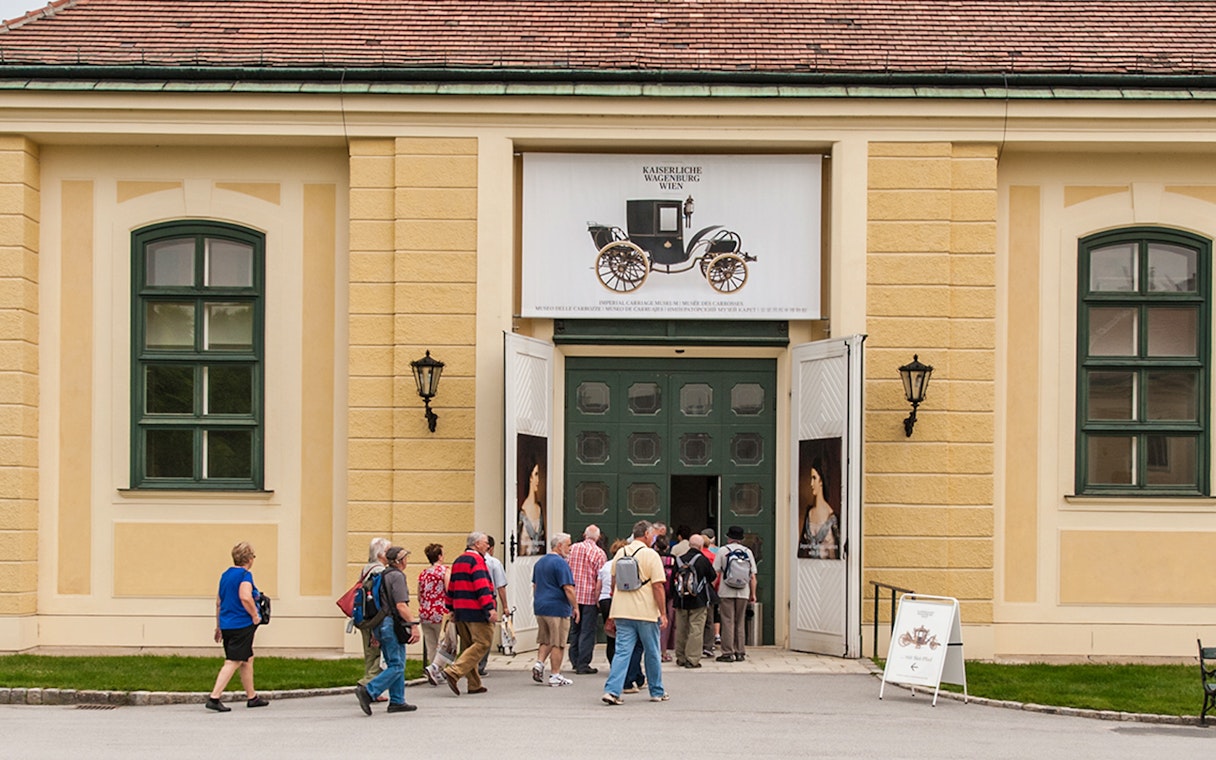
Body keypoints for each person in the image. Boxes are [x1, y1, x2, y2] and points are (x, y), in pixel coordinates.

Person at [602, 520, 668, 705]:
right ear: (646, 535)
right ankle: (657, 691)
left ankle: (612, 690)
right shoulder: (651, 555)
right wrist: (662, 612)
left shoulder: (621, 552)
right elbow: (657, 586)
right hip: (645, 611)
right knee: (652, 651)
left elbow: (613, 583)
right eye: (652, 535)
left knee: (622, 652)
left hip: (622, 610)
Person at [355, 546, 420, 715]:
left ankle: (397, 701)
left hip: (381, 624)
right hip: (392, 624)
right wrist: (413, 625)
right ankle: (369, 691)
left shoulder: (382, 575)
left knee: (397, 662)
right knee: (396, 665)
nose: (407, 560)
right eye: (405, 557)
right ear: (400, 561)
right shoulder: (397, 577)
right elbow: (401, 605)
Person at [206, 541, 267, 712]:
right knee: (233, 660)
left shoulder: (225, 575)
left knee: (247, 659)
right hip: (241, 623)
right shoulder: (244, 576)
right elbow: (245, 596)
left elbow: (219, 602)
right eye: (253, 556)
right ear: (248, 558)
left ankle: (252, 697)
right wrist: (255, 615)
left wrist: (218, 626)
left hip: (227, 624)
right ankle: (214, 697)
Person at [441, 532, 499, 696]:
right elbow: (482, 586)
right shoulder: (477, 561)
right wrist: (490, 608)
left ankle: (474, 684)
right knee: (483, 643)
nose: (488, 546)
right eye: (485, 543)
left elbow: (451, 586)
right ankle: (454, 671)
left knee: (467, 646)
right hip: (476, 611)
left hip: (460, 610)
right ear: (476, 544)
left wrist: (450, 608)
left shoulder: (459, 560)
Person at [531, 532, 577, 686]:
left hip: (541, 606)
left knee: (546, 638)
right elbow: (568, 588)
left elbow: (535, 585)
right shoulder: (561, 563)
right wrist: (575, 607)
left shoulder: (540, 562)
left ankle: (539, 663)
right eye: (568, 545)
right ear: (559, 546)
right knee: (558, 642)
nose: (570, 548)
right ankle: (555, 675)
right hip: (557, 607)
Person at [713, 526, 758, 663]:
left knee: (727, 621)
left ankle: (727, 652)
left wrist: (713, 587)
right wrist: (753, 594)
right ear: (741, 539)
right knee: (740, 622)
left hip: (726, 590)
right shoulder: (748, 552)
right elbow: (753, 576)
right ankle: (740, 652)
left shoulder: (723, 551)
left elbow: (716, 572)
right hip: (743, 591)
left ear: (729, 538)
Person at [567, 524, 606, 675]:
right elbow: (600, 579)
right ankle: (583, 663)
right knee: (587, 631)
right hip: (589, 597)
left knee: (575, 629)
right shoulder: (599, 553)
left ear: (584, 535)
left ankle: (574, 660)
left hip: (574, 596)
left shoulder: (573, 548)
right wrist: (598, 599)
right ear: (598, 537)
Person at [672, 534, 716, 668]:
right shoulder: (702, 560)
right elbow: (712, 576)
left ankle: (680, 656)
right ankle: (692, 659)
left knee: (681, 629)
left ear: (689, 545)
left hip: (681, 600)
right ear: (701, 546)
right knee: (695, 629)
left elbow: (672, 581)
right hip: (698, 600)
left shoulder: (679, 560)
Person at [356, 537, 390, 695]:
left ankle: (370, 686)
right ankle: (367, 686)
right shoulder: (379, 572)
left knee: (370, 654)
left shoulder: (366, 569)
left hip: (363, 617)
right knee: (378, 655)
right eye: (389, 551)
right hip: (375, 619)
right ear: (381, 554)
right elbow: (381, 599)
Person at [478, 535, 509, 676]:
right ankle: (480, 665)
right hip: (489, 599)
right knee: (487, 634)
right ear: (491, 548)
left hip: (473, 601)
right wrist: (506, 606)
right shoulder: (494, 563)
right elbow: (500, 586)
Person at [800, 458, 840, 559]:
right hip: (808, 569)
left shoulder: (831, 517)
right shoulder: (809, 513)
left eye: (814, 478)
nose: (811, 484)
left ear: (821, 480)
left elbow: (834, 556)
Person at [417, 543, 447, 666]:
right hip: (440, 612)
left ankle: (431, 666)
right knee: (443, 643)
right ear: (439, 556)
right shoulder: (444, 571)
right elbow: (449, 590)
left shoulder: (424, 573)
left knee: (431, 644)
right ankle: (438, 669)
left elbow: (419, 594)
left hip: (425, 613)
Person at [518, 460, 545, 556]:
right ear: (530, 477)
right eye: (536, 474)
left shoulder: (539, 508)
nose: (538, 480)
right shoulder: (522, 511)